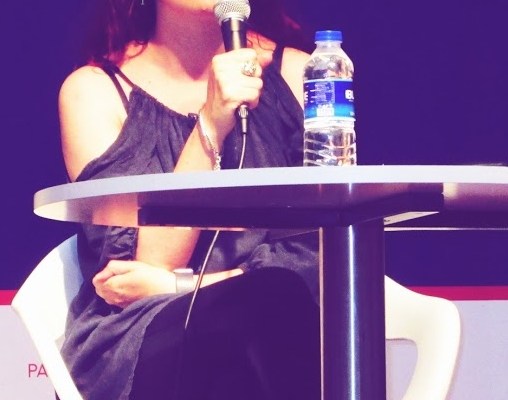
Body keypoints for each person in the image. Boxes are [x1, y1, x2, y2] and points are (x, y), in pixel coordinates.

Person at [58, 0, 320, 399]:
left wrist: (183, 285)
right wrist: (211, 123)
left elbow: (321, 257)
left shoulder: (304, 76)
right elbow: (136, 272)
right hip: (142, 335)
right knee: (254, 322)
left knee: (273, 307)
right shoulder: (93, 92)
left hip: (279, 320)